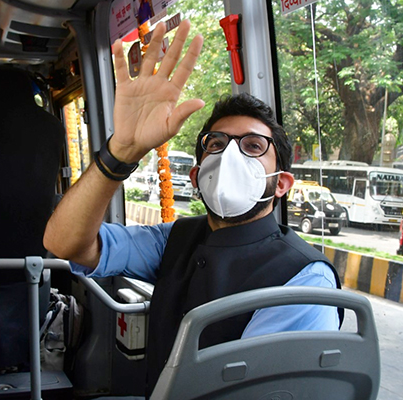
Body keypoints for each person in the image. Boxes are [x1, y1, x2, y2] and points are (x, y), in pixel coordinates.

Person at [43, 20, 342, 395]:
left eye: (253, 146)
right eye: (216, 144)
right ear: (199, 175)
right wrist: (122, 151)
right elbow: (64, 242)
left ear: (281, 184)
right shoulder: (174, 239)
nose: (230, 156)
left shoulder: (304, 278)